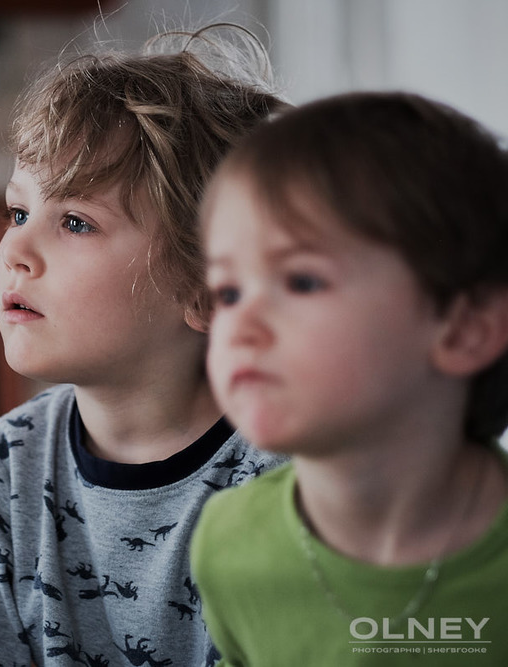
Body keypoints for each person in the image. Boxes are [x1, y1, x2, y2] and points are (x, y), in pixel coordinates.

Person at [0, 23, 288, 666]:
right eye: (17, 212)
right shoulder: (12, 460)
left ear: (207, 291)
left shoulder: (285, 479)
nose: (15, 252)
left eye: (75, 222)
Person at [191, 90, 508, 665]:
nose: (241, 326)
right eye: (229, 292)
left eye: (302, 282)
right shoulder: (226, 545)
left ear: (464, 331)